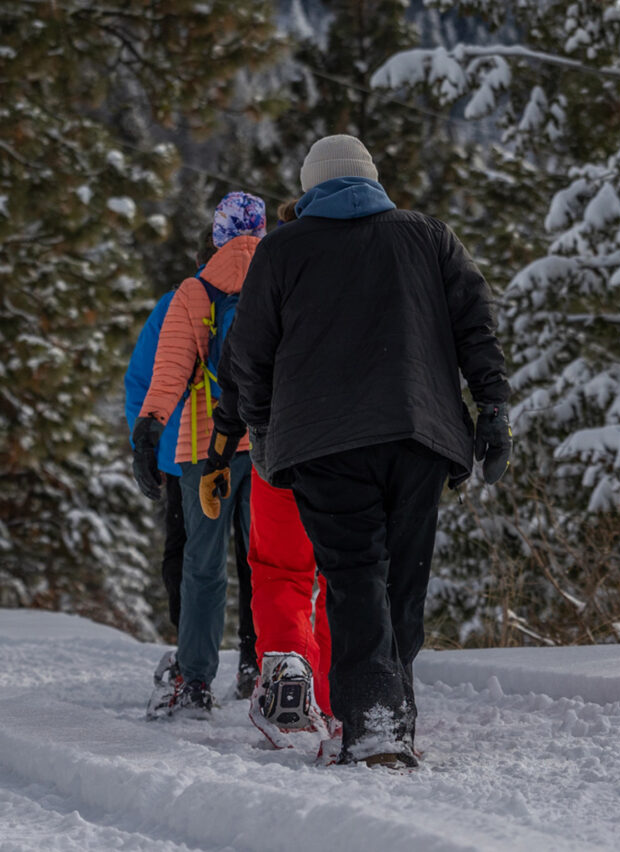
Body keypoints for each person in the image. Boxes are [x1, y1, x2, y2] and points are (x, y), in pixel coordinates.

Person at [228, 136, 511, 768]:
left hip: (324, 443)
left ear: (310, 188)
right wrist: (492, 410)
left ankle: (374, 724)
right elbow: (476, 327)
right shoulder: (429, 237)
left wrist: (265, 429)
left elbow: (249, 356)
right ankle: (393, 716)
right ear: (371, 179)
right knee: (403, 582)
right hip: (420, 435)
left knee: (356, 580)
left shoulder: (283, 249)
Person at [201, 201, 335, 751]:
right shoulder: (356, 275)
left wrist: (219, 448)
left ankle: (285, 667)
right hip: (348, 446)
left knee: (280, 568)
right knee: (343, 573)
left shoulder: (269, 274)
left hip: (276, 446)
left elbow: (238, 368)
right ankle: (334, 695)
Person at [132, 191, 265, 717]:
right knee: (271, 564)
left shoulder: (196, 290)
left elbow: (170, 370)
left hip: (205, 446)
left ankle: (194, 683)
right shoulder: (282, 277)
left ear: (217, 235)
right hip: (269, 445)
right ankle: (267, 669)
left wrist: (149, 428)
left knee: (203, 566)